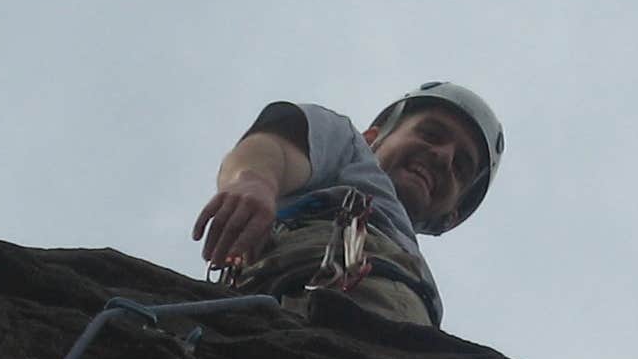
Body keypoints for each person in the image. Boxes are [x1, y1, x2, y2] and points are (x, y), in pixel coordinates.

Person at [192, 83, 503, 328]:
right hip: (302, 298)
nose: (443, 156)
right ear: (372, 139)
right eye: (430, 134)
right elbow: (278, 144)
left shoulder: (417, 266)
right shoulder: (351, 150)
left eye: (460, 167)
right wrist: (254, 180)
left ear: (450, 218)